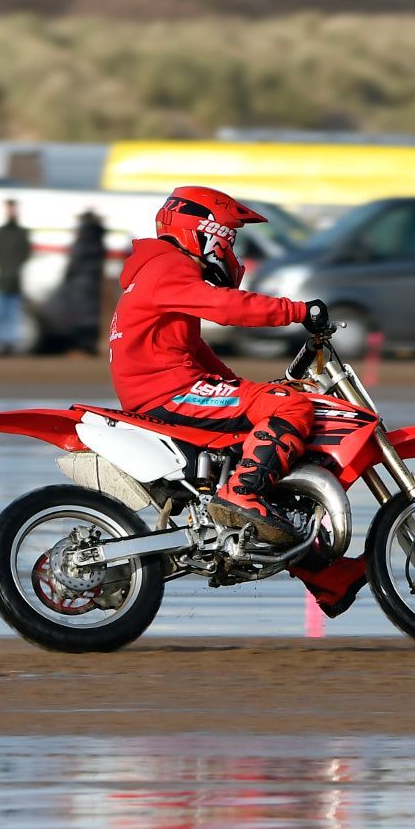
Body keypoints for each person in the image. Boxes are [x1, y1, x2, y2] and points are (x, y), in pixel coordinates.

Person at [109, 185, 365, 615]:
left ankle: (327, 575)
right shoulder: (169, 266)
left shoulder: (159, 270)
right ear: (201, 231)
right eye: (228, 238)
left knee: (277, 422)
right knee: (293, 407)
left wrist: (251, 390)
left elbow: (196, 353)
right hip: (168, 393)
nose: (230, 250)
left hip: (167, 388)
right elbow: (226, 308)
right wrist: (298, 311)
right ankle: (242, 496)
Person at [55, 209, 108, 354]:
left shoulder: (83, 238)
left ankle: (82, 345)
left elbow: (75, 260)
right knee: (91, 314)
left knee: (79, 316)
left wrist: (67, 277)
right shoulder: (99, 238)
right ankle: (89, 344)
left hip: (80, 282)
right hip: (93, 282)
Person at [0, 199, 31, 354]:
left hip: (15, 281)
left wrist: (14, 269)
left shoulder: (22, 232)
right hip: (1, 280)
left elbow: (26, 254)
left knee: (13, 314)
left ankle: (12, 342)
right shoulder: (1, 232)